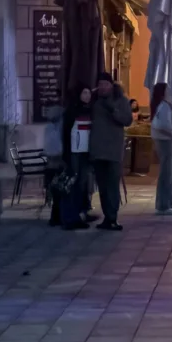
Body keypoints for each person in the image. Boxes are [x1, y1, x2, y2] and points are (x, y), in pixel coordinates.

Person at [90, 72, 132, 231]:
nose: (102, 87)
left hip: (113, 151)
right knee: (102, 186)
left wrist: (113, 110)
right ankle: (107, 217)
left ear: (111, 85)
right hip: (98, 150)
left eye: (105, 84)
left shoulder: (121, 100)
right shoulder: (95, 101)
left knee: (112, 185)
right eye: (100, 84)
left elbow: (127, 120)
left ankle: (113, 217)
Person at [63, 85, 96, 224]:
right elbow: (66, 132)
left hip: (86, 151)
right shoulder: (72, 110)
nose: (87, 96)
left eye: (89, 93)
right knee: (75, 181)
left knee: (85, 182)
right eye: (84, 93)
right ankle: (74, 213)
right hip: (75, 151)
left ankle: (84, 210)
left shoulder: (91, 110)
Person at [151, 82, 172, 215]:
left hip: (163, 140)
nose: (171, 92)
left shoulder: (162, 105)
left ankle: (163, 204)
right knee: (167, 173)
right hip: (166, 141)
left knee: (165, 172)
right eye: (168, 90)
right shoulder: (164, 106)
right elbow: (164, 124)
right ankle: (164, 205)